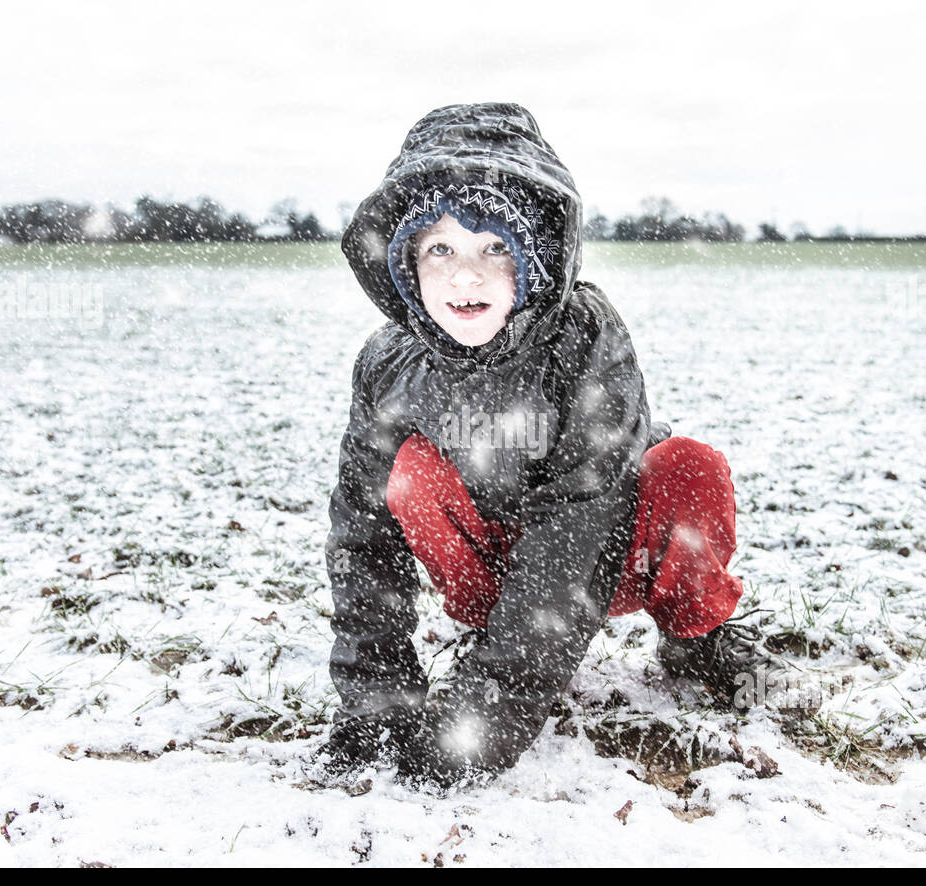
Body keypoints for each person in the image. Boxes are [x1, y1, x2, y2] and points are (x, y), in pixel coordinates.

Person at [317, 102, 811, 790]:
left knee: (688, 467)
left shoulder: (584, 338)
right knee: (404, 475)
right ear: (404, 260)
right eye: (441, 249)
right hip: (491, 567)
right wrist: (377, 698)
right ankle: (490, 631)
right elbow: (361, 535)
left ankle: (699, 640)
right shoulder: (387, 364)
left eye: (494, 246)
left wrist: (485, 715)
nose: (467, 276)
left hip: (605, 552)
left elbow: (578, 522)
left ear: (534, 253)